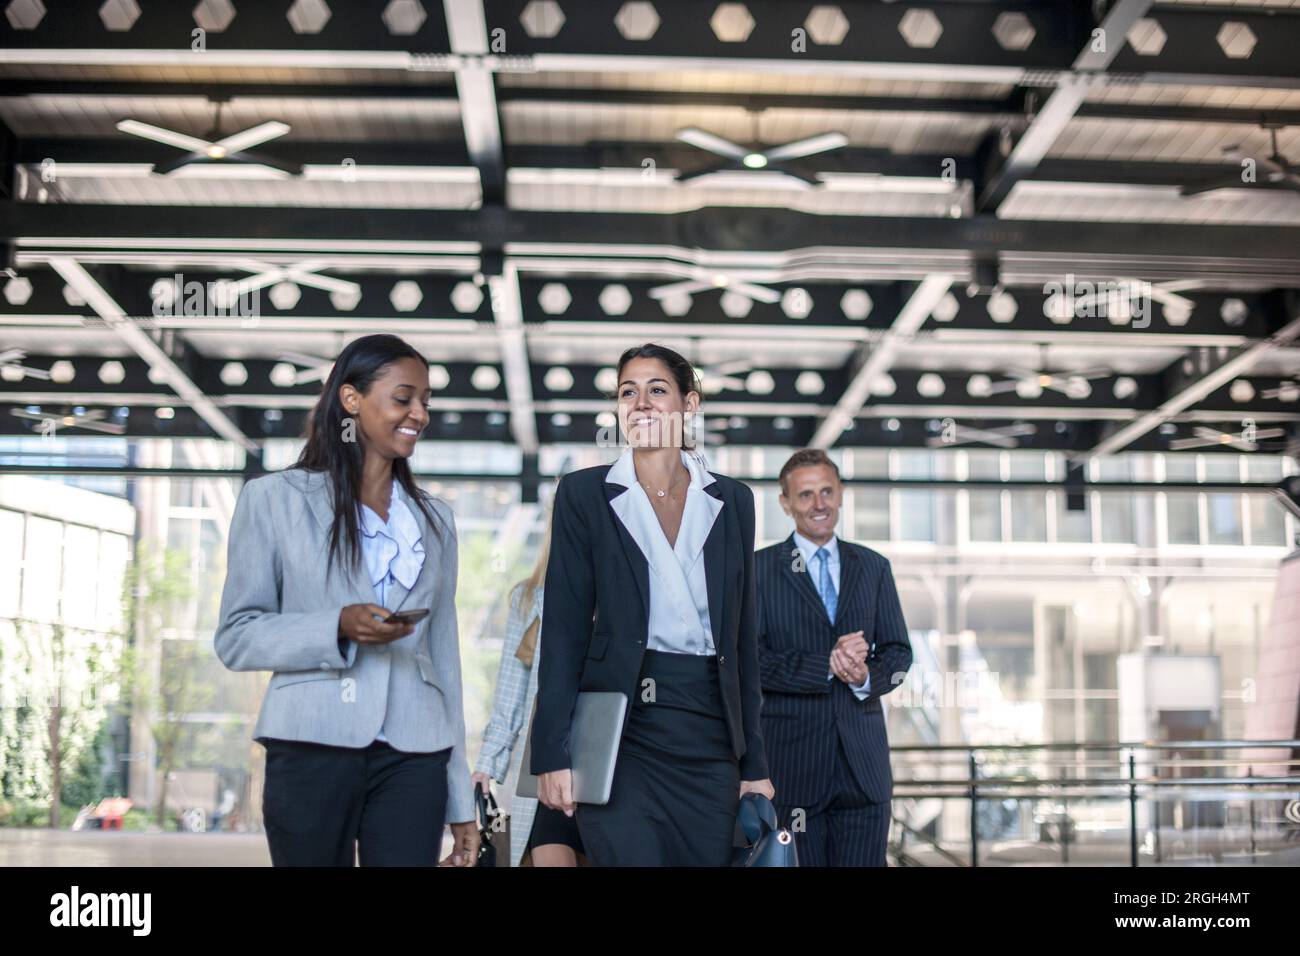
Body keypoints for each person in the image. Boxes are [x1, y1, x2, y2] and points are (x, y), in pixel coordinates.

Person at [214, 333, 479, 867]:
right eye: (404, 398)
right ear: (352, 400)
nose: (419, 414)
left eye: (426, 401)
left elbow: (445, 660)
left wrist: (459, 799)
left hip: (415, 753)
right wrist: (336, 626)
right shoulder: (273, 500)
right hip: (311, 742)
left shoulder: (436, 522)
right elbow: (237, 635)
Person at [530, 343, 774, 866]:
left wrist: (755, 763)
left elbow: (742, 638)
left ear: (690, 403)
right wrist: (551, 752)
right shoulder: (583, 494)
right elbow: (564, 632)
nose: (640, 403)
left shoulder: (733, 501)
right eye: (627, 392)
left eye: (657, 390)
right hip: (623, 733)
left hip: (709, 735)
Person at [754, 448, 913, 866]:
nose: (819, 504)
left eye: (827, 491)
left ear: (840, 494)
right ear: (785, 503)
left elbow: (898, 653)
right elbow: (748, 662)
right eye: (805, 495)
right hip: (793, 770)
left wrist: (864, 676)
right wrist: (824, 665)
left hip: (864, 773)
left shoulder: (874, 567)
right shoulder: (758, 571)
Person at [471, 509, 587, 866]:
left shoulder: (626, 596)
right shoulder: (530, 598)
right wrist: (488, 763)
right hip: (546, 770)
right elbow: (512, 693)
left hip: (611, 766)